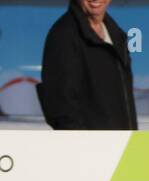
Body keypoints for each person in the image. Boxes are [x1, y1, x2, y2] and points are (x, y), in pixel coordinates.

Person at [39, 0, 137, 130]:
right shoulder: (63, 35)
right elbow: (60, 108)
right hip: (87, 147)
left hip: (123, 146)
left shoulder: (117, 36)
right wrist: (84, 146)